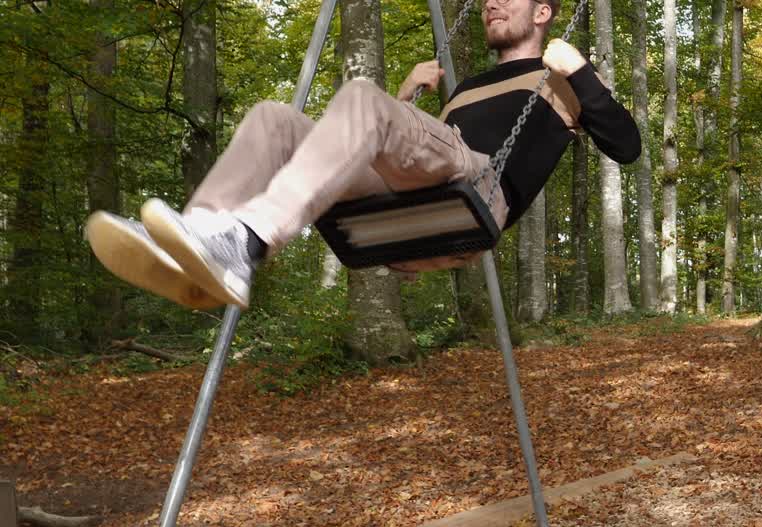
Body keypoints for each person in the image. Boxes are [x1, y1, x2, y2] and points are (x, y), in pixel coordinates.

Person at [86, 0, 640, 310]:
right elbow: (403, 146)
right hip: (426, 192)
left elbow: (628, 146)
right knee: (274, 119)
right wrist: (405, 96)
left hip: (480, 187)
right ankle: (205, 234)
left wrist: (579, 72)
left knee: (359, 97)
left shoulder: (558, 78)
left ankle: (244, 244)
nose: (492, 2)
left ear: (543, 12)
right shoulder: (466, 85)